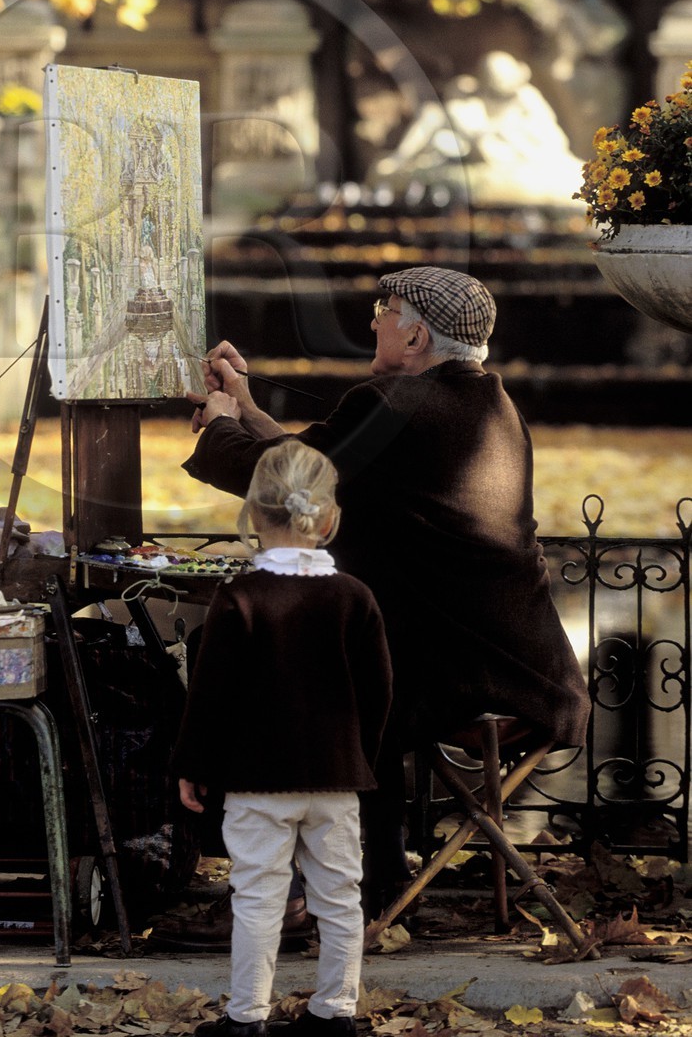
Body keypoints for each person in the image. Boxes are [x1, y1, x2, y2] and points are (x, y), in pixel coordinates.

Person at [185, 265, 590, 917]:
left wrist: (224, 422)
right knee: (322, 658)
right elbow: (317, 463)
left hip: (453, 670)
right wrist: (248, 407)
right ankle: (355, 883)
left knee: (253, 653)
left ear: (416, 338)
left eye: (386, 308)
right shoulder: (489, 403)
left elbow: (289, 487)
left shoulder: (395, 407)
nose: (374, 318)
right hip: (525, 669)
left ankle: (297, 883)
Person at [174, 441, 392, 1037]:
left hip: (257, 783)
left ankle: (246, 1018)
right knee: (340, 897)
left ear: (252, 514)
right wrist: (357, 757)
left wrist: (194, 763)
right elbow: (379, 694)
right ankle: (334, 1012)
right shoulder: (355, 598)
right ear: (329, 518)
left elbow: (209, 694)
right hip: (336, 778)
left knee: (258, 898)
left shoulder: (239, 598)